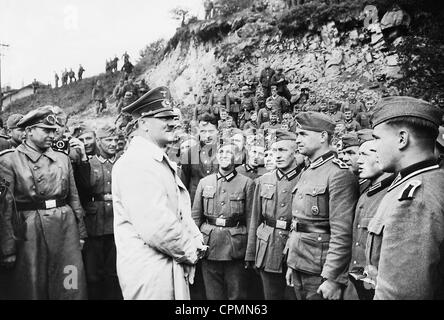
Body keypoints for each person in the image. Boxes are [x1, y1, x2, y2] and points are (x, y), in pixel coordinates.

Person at [112, 87, 206, 300]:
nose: (173, 122)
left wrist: (195, 240)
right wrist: (192, 251)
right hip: (150, 272)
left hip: (168, 264)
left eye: (173, 117)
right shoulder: (137, 163)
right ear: (143, 123)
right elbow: (158, 227)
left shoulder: (154, 160)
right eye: (164, 117)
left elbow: (179, 213)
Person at [0, 106, 87, 299]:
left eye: (54, 130)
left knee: (69, 279)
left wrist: (80, 232)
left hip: (65, 227)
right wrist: (7, 248)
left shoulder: (63, 158)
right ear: (29, 131)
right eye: (45, 130)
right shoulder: (9, 161)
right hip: (29, 231)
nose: (52, 134)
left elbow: (73, 197)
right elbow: (4, 208)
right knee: (33, 285)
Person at [365, 96, 444, 299]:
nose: (374, 148)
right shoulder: (427, 181)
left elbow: (401, 293)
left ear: (402, 139)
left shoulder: (414, 199)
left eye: (377, 138)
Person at [285, 111, 359, 300]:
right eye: (297, 135)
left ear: (323, 136)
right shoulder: (308, 170)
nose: (298, 140)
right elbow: (299, 223)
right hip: (300, 262)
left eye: (303, 134)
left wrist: (333, 278)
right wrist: (292, 263)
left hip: (321, 270)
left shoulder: (338, 174)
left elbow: (342, 232)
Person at [192, 141, 255, 300]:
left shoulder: (247, 183)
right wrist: (194, 246)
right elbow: (195, 218)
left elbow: (251, 220)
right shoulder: (204, 182)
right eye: (221, 152)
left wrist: (250, 252)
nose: (224, 156)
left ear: (237, 157)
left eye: (228, 153)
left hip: (235, 249)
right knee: (213, 296)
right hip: (209, 248)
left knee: (237, 295)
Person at [245, 130, 303, 300]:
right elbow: (254, 219)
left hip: (296, 248)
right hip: (267, 248)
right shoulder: (263, 181)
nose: (277, 155)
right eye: (274, 151)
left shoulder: (305, 179)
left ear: (296, 153)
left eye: (283, 150)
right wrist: (250, 253)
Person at [343, 129, 395, 300]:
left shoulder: (392, 194)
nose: (359, 160)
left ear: (381, 156)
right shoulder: (366, 191)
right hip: (356, 281)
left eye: (365, 155)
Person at [75, 123, 123, 300]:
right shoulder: (88, 163)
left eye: (115, 140)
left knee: (115, 271)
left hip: (117, 222)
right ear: (99, 141)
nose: (112, 143)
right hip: (94, 223)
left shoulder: (122, 162)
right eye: (108, 140)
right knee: (94, 273)